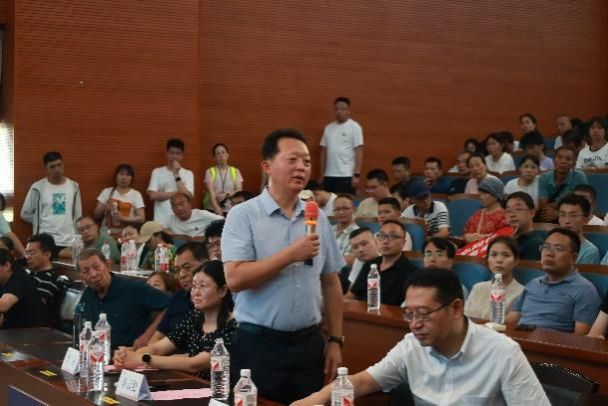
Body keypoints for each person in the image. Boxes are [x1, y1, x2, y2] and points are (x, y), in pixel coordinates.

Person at [293, 268, 549, 406]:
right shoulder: (411, 346)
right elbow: (361, 382)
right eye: (409, 314)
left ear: (456, 308)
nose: (415, 324)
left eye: (424, 314)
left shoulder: (503, 353)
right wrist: (313, 400)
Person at [222, 128, 345, 404]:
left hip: (309, 346)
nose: (301, 167)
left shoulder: (318, 217)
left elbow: (330, 282)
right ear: (267, 166)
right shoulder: (243, 215)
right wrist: (290, 255)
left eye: (307, 162)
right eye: (292, 160)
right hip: (257, 345)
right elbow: (236, 279)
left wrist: (336, 340)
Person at [113, 261, 237, 379]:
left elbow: (194, 365)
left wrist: (141, 359)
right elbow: (157, 348)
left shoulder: (232, 327)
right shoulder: (194, 317)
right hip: (192, 385)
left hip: (219, 390)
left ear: (222, 291)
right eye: (194, 286)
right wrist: (128, 356)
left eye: (203, 286)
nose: (196, 292)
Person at [506, 228, 601, 335]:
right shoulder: (533, 284)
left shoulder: (585, 290)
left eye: (558, 249)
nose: (549, 253)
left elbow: (581, 338)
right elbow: (510, 322)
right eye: (546, 247)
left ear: (574, 258)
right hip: (517, 340)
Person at [77, 248, 171, 348]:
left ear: (107, 265)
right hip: (98, 351)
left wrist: (148, 336)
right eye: (86, 271)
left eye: (96, 267)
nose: (93, 274)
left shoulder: (133, 288)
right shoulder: (88, 294)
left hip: (130, 352)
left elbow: (172, 304)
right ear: (82, 277)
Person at [21, 151, 82, 253]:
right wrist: (40, 221)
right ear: (46, 169)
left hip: (68, 241)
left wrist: (78, 240)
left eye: (59, 165)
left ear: (63, 165)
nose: (57, 169)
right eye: (52, 167)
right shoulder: (38, 187)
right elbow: (25, 213)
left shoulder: (74, 186)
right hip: (44, 242)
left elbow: (78, 215)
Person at [148, 242, 208, 345]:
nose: (181, 275)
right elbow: (156, 339)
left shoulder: (215, 303)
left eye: (187, 267)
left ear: (205, 265)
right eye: (178, 270)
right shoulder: (179, 297)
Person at [347, 220, 418, 306]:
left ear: (403, 243)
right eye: (382, 236)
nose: (385, 241)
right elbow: (353, 295)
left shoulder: (411, 272)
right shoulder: (370, 265)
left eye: (392, 236)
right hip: (362, 311)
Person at [465, 237, 524, 319]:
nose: (499, 260)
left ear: (516, 261)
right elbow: (465, 318)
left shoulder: (522, 293)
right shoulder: (478, 288)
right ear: (487, 260)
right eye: (493, 255)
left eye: (506, 255)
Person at [319, 97, 364, 194]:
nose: (339, 112)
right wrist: (322, 174)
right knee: (329, 202)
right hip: (329, 175)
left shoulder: (355, 127)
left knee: (344, 201)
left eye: (342, 109)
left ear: (348, 111)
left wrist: (356, 174)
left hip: (346, 175)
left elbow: (359, 151)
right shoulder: (328, 128)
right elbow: (324, 152)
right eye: (336, 109)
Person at [148, 138, 195, 224]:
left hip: (180, 221)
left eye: (178, 153)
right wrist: (178, 193)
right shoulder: (157, 172)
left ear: (182, 156)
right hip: (160, 221)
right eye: (172, 153)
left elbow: (189, 197)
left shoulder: (188, 173)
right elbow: (153, 195)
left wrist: (176, 175)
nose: (174, 156)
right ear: (167, 154)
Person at [537, 146, 588, 222]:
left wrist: (559, 213)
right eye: (559, 157)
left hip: (572, 217)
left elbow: (582, 204)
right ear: (554, 160)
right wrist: (566, 200)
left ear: (574, 163)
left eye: (568, 159)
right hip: (548, 216)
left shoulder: (579, 177)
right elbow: (543, 205)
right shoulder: (544, 177)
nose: (563, 161)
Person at [0, 249, 48, 328]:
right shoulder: (3, 279)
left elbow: (3, 305)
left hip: (32, 331)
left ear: (7, 266)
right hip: (13, 329)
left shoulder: (20, 280)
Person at [93, 164, 145, 237]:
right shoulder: (106, 192)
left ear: (131, 178)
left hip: (127, 236)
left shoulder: (136, 194)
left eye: (127, 175)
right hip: (107, 235)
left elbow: (142, 218)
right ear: (116, 176)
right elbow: (96, 215)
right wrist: (104, 208)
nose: (124, 177)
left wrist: (125, 219)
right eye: (121, 174)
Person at [24, 234, 67, 318]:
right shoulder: (31, 274)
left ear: (47, 255)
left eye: (32, 252)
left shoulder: (50, 279)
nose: (28, 257)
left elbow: (34, 307)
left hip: (35, 324)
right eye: (27, 253)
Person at [557, 194, 600, 264]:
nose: (566, 221)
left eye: (573, 216)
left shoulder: (590, 252)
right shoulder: (550, 244)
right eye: (562, 215)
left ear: (585, 220)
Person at [463, 177, 508, 243]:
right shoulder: (478, 213)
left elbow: (503, 238)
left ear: (496, 195)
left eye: (484, 193)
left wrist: (482, 238)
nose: (481, 197)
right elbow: (466, 231)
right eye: (480, 193)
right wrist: (467, 236)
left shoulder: (504, 216)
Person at [204, 143, 244, 214]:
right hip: (212, 209)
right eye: (218, 154)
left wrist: (226, 195)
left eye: (223, 152)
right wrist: (217, 208)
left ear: (228, 155)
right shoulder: (210, 171)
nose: (221, 155)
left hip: (230, 210)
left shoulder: (235, 171)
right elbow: (211, 193)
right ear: (214, 157)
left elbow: (239, 190)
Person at [504, 192, 544, 260]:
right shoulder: (504, 239)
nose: (512, 215)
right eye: (508, 210)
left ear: (532, 213)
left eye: (518, 209)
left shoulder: (535, 244)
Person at [331, 194, 359, 266]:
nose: (341, 212)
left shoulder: (359, 233)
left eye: (345, 208)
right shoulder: (328, 230)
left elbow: (353, 259)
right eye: (337, 209)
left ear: (354, 210)